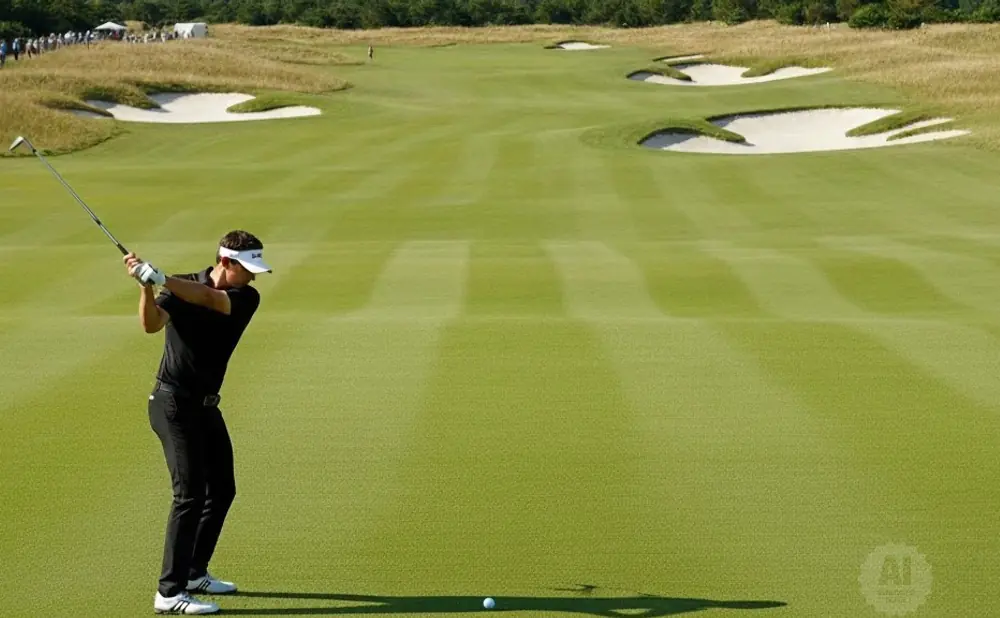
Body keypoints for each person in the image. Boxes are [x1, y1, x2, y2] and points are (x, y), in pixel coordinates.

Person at [124, 230, 272, 615]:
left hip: (205, 406)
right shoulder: (181, 286)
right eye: (247, 269)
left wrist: (159, 278)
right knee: (189, 495)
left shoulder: (244, 298)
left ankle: (193, 572)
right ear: (225, 262)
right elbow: (151, 325)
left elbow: (210, 299)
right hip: (172, 403)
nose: (253, 277)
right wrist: (145, 286)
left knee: (222, 489)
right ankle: (169, 593)